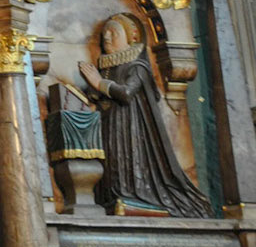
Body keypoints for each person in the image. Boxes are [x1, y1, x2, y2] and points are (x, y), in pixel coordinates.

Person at [79, 14, 210, 219]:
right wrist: (92, 90)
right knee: (112, 164)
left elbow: (126, 93)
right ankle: (113, 198)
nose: (107, 37)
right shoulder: (107, 69)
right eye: (105, 33)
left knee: (128, 163)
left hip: (131, 127)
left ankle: (132, 198)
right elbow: (97, 95)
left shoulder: (137, 67)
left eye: (113, 32)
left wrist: (98, 83)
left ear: (130, 37)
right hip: (109, 124)